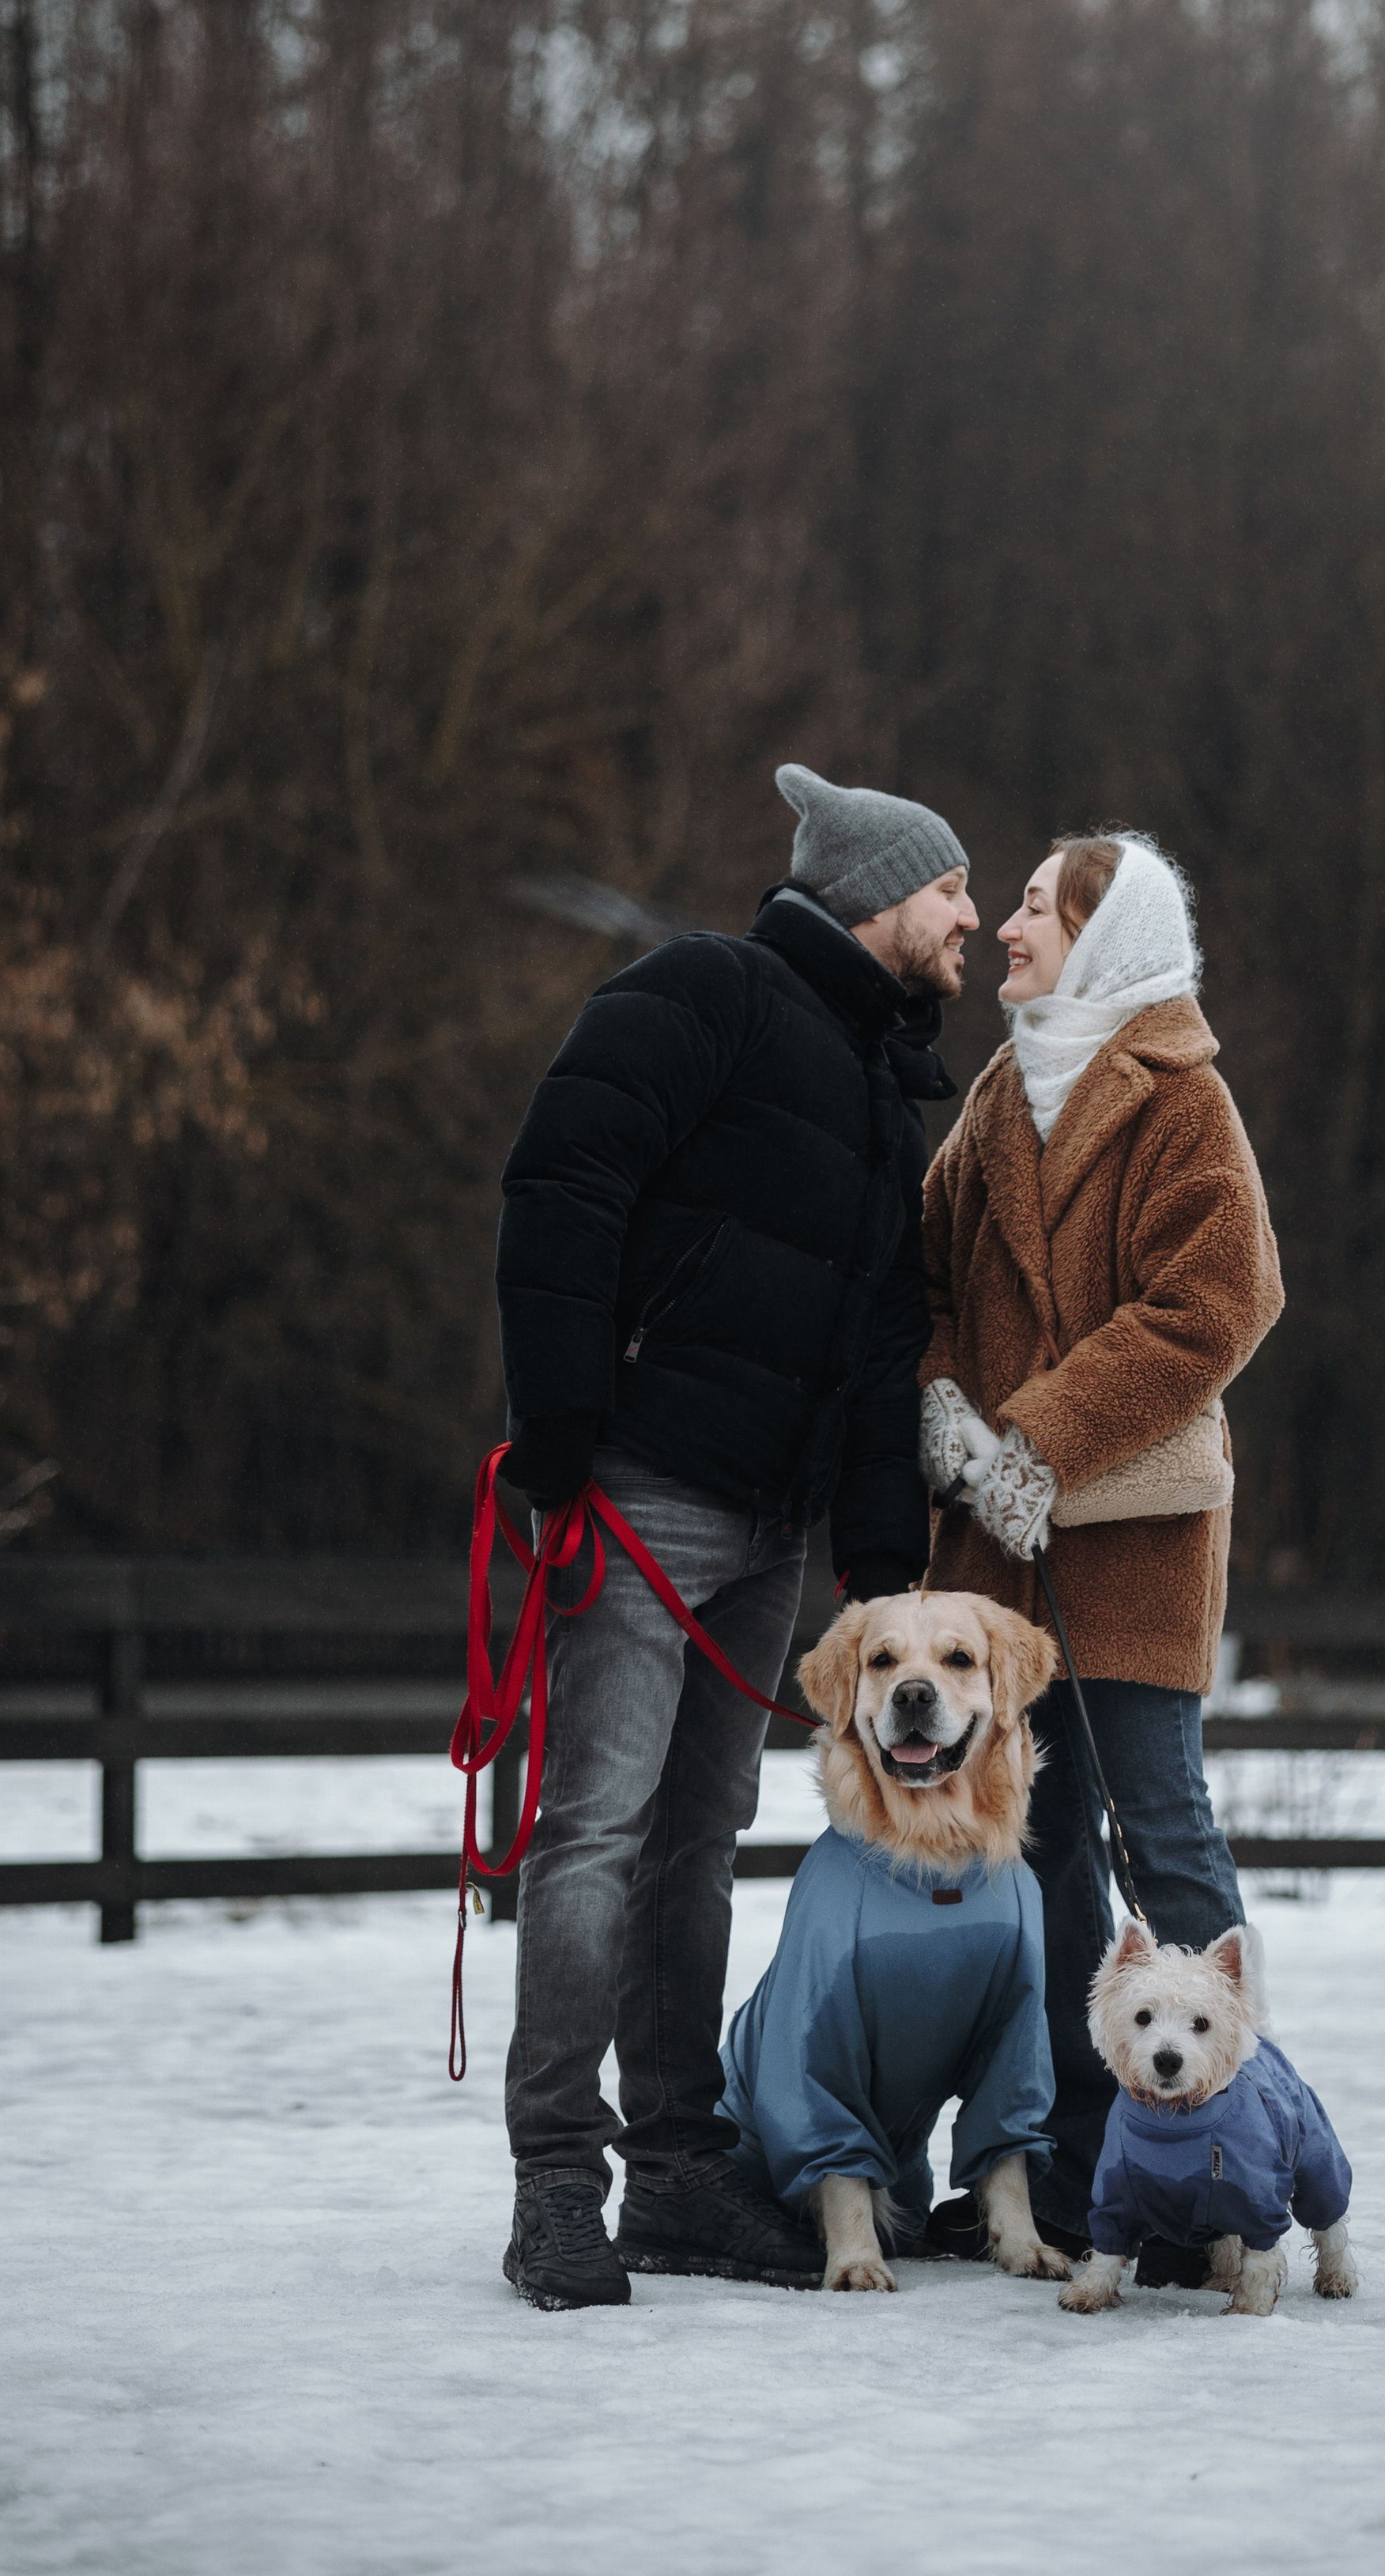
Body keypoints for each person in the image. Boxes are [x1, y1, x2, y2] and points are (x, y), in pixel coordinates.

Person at [492, 763, 978, 2310]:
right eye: (951, 889)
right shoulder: (704, 990)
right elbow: (564, 1174)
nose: (972, 918)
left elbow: (880, 1346)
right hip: (642, 1490)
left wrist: (879, 1562)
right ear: (876, 895)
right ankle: (554, 2184)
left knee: (696, 1846)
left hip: (771, 1529)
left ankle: (677, 2171)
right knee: (593, 1832)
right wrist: (562, 1420)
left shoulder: (889, 1096)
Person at [915, 829, 1285, 2265]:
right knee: (1047, 1851)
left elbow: (1223, 1301)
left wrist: (1043, 1439)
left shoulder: (1183, 1097)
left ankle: (1234, 2153)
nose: (1006, 928)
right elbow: (928, 1280)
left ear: (1103, 934)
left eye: (1033, 908)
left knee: (1163, 1830)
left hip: (1133, 1549)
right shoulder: (999, 1092)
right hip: (1002, 1559)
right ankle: (1080, 2162)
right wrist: (946, 1413)